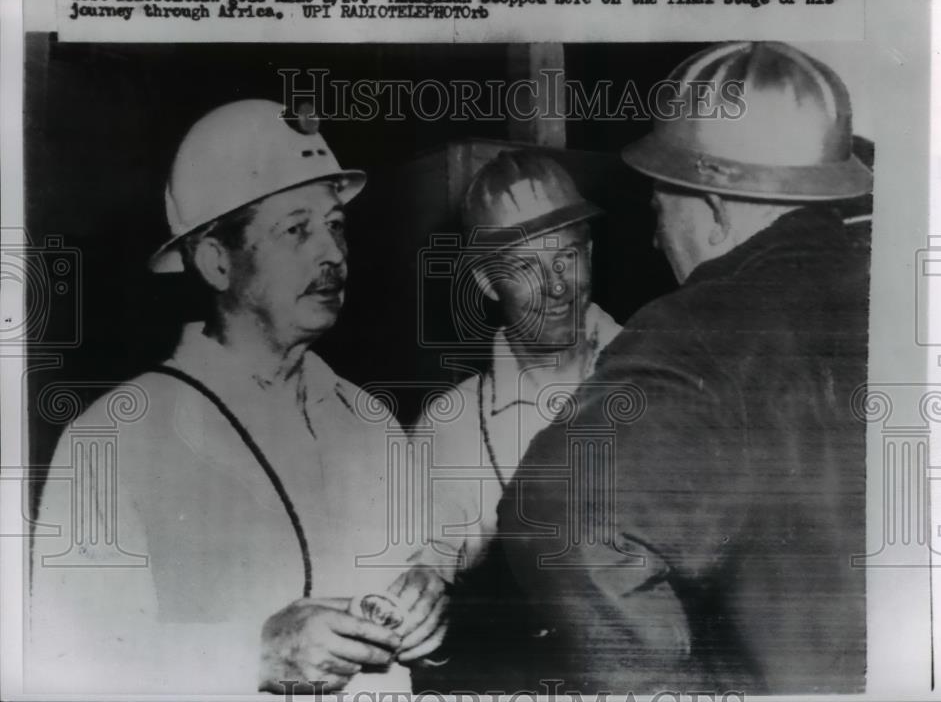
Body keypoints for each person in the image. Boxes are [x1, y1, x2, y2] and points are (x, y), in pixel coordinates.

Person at [29, 100, 445, 695]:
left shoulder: (370, 421)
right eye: (296, 229)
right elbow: (63, 670)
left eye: (335, 225)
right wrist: (248, 657)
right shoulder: (116, 438)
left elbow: (407, 600)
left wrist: (426, 604)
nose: (332, 254)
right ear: (216, 261)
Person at [495, 42, 873, 694]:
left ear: (716, 208)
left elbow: (553, 517)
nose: (655, 237)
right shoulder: (896, 292)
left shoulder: (694, 335)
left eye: (659, 209)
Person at [411, 151, 621, 689]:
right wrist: (426, 574)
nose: (555, 287)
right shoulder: (451, 425)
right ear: (486, 281)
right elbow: (440, 536)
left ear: (591, 254)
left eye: (567, 257)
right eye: (526, 266)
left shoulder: (657, 378)